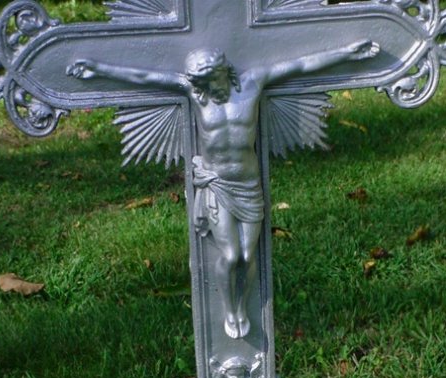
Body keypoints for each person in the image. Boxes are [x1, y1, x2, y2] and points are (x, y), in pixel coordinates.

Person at [67, 40, 379, 338]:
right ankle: (232, 310)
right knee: (230, 256)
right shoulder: (196, 92)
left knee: (247, 254)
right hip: (217, 186)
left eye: (211, 80)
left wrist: (347, 52)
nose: (207, 88)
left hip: (248, 185)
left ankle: (242, 304)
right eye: (201, 84)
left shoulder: (252, 83)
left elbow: (299, 65)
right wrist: (98, 68)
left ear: (223, 71)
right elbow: (145, 77)